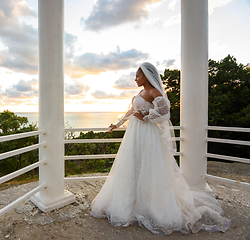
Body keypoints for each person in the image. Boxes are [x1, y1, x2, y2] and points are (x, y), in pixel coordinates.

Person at [90, 62, 230, 235]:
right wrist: (117, 124)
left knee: (150, 168)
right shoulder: (141, 93)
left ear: (146, 76)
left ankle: (150, 205)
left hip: (147, 135)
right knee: (133, 166)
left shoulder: (153, 92)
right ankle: (132, 202)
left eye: (137, 75)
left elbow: (165, 111)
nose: (135, 79)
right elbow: (130, 111)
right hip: (134, 135)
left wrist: (146, 117)